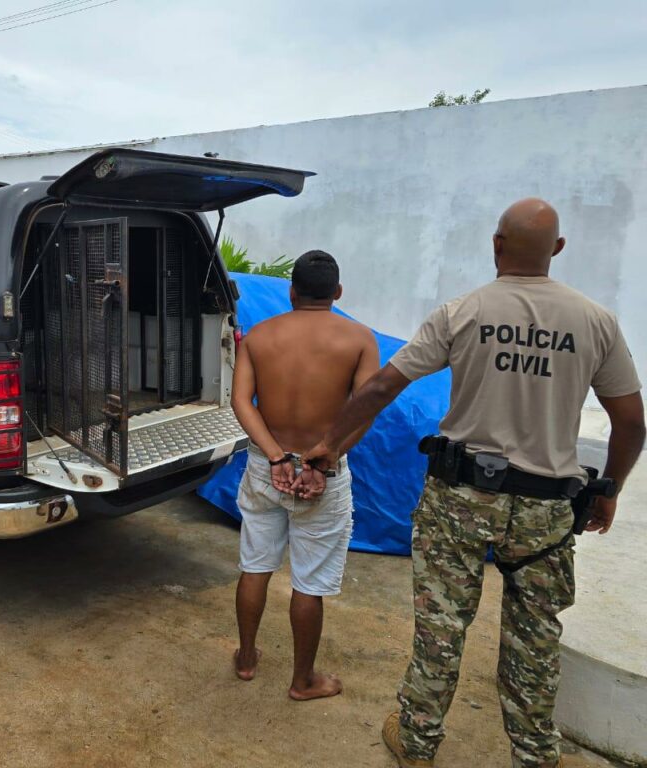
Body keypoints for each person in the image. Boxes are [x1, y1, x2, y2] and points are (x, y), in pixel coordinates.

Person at [304, 199, 644, 767]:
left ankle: (417, 742)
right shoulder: (596, 321)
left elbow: (382, 387)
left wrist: (328, 445)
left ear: (496, 244)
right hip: (546, 510)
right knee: (534, 637)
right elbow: (632, 422)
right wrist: (608, 488)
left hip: (459, 501)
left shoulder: (463, 311)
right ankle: (536, 754)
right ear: (557, 250)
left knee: (443, 623)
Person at [230, 250, 380, 700]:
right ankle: (303, 680)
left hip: (265, 467)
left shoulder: (258, 336)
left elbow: (241, 402)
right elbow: (365, 408)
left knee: (255, 566)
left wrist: (277, 457)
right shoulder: (359, 339)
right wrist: (321, 460)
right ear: (337, 293)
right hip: (324, 474)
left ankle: (247, 656)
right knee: (308, 583)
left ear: (291, 291)